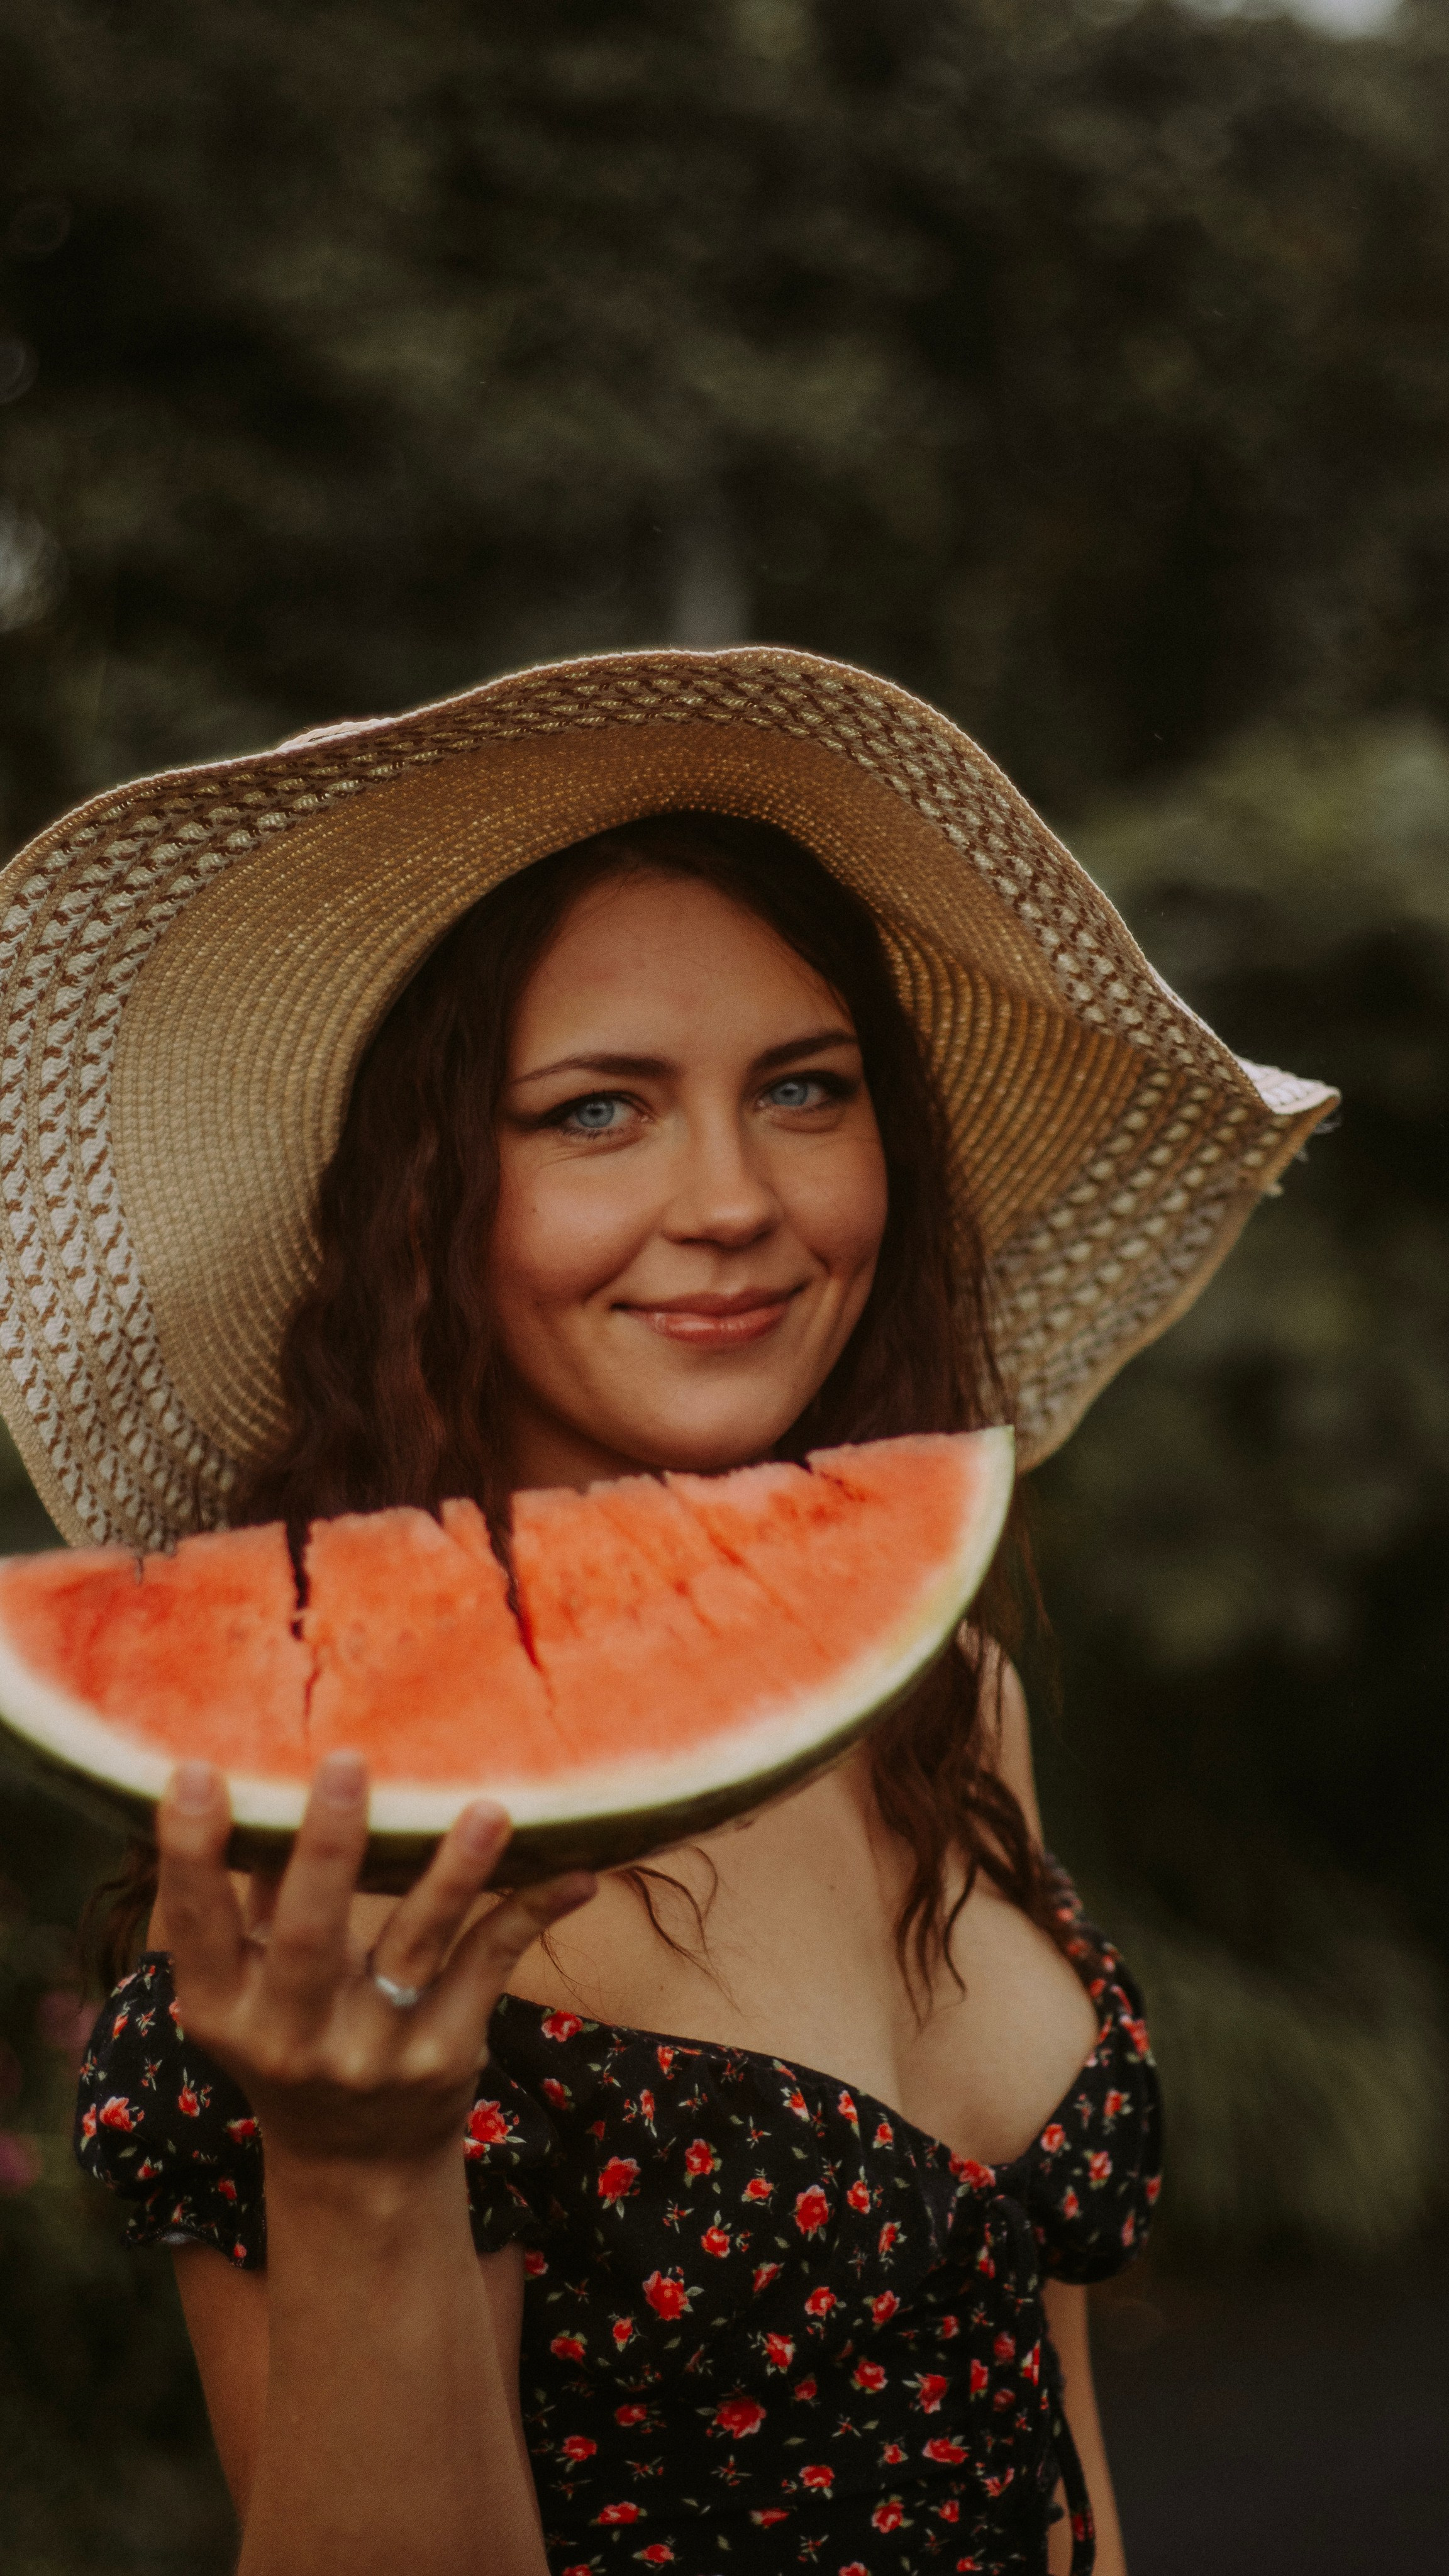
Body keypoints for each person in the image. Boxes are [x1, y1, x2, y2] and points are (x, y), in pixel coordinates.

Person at [0, 648, 1334, 2576]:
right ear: (426, 1198)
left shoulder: (950, 1698)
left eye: (804, 1088)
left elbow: (1066, 2473)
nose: (735, 1198)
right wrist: (360, 2166)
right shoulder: (356, 1821)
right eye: (597, 1112)